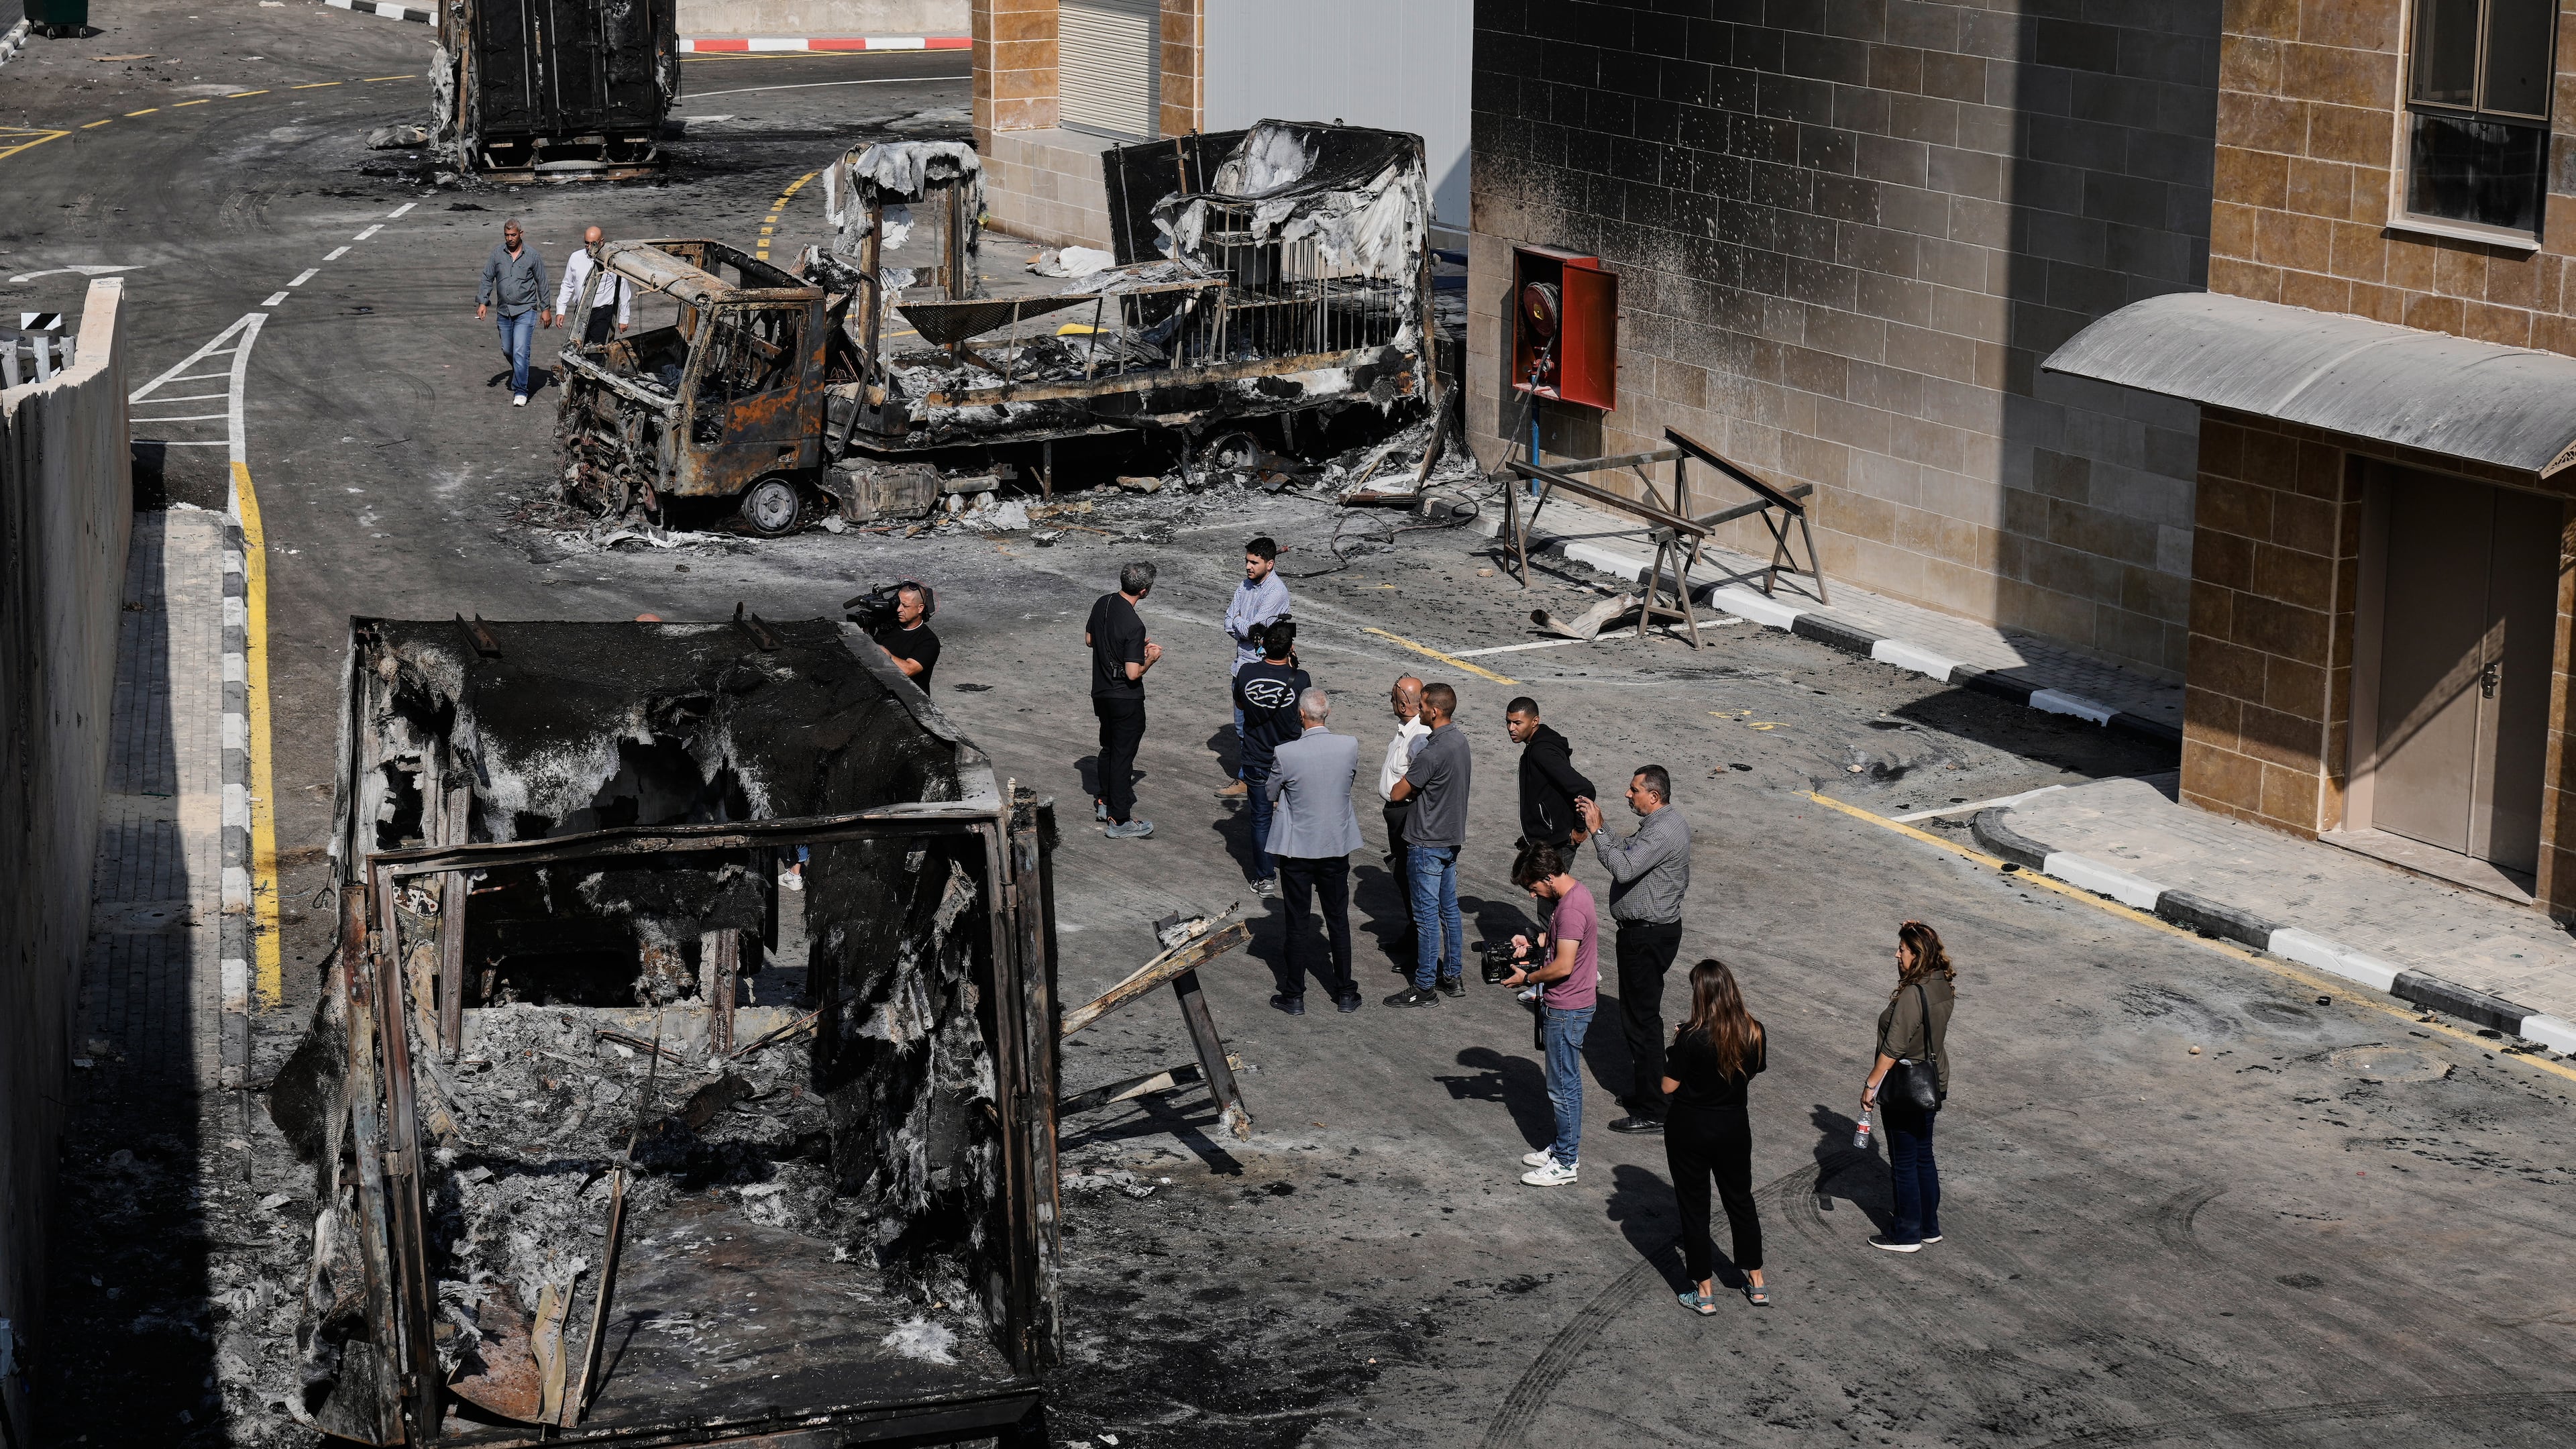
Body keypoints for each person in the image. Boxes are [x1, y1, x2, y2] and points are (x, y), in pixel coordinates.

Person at [1576, 765, 1692, 1136]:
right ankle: (1648, 1092)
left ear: (1653, 796)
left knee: (1642, 1022)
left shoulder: (1663, 831)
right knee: (1640, 1018)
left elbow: (1623, 868)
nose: (1628, 795)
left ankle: (1655, 1109)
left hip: (1647, 937)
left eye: (1634, 790)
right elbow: (1628, 853)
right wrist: (1605, 830)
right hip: (1646, 934)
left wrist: (1596, 830)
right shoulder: (1659, 825)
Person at [1663, 958, 1768, 1311]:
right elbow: (1751, 1072)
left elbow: (1667, 1085)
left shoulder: (1690, 1038)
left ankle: (1704, 1293)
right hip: (1733, 1128)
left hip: (1689, 1128)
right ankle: (1756, 1283)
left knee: (1694, 1208)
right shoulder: (1755, 1031)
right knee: (1740, 1200)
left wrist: (1675, 1047)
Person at [1501, 845, 1599, 1186]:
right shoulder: (1575, 895)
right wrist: (1534, 943)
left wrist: (1526, 978)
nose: (1532, 895)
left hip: (1567, 1008)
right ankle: (1561, 1148)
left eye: (1533, 887)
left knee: (1563, 1087)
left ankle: (1566, 1163)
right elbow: (1559, 942)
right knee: (1563, 1083)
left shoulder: (1570, 909)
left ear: (1548, 877)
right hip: (1570, 1004)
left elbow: (1563, 965)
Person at [1265, 686, 1364, 1014]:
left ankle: (1294, 996)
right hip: (1335, 846)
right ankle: (1346, 992)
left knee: (1296, 923)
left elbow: (1270, 792)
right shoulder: (1348, 745)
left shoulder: (1286, 752)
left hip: (1298, 851)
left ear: (1301, 715)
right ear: (1327, 714)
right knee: (1338, 920)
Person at [1862, 919, 1956, 1252]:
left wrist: (1871, 1086)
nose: (1896, 955)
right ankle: (1929, 1226)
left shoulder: (1913, 995)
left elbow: (1893, 1048)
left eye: (1902, 950)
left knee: (1903, 1162)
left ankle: (1906, 1233)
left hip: (1906, 1085)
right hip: (1933, 1079)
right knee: (1922, 1156)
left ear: (1917, 954)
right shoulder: (1940, 981)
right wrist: (1917, 928)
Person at [1385, 682, 1470, 1006]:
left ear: (1434, 711)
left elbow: (1397, 793)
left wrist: (1414, 787)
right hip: (1450, 839)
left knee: (1425, 918)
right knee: (1449, 912)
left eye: (1421, 706)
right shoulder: (1460, 742)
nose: (1417, 711)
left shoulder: (1431, 752)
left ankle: (1424, 986)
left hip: (1426, 842)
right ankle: (1452, 976)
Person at [1085, 561, 1163, 839]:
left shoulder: (1103, 603)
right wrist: (1149, 658)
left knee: (1108, 747)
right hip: (1125, 698)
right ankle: (1119, 820)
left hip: (1101, 692)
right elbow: (1133, 673)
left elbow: (1090, 639)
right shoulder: (1135, 624)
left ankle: (1105, 801)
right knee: (1122, 757)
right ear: (1145, 591)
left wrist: (1127, 648)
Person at [1232, 621, 1309, 894]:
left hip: (1256, 757)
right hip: (1291, 758)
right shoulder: (1301, 679)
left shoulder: (1246, 671)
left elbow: (1241, 704)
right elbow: (1305, 713)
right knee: (1296, 815)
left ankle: (1265, 879)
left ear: (1262, 645)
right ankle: (1299, 870)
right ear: (1291, 648)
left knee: (1261, 818)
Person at [1217, 536, 1291, 798]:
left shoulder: (1276, 592)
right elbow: (1229, 622)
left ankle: (1272, 783)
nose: (1248, 567)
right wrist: (1241, 624)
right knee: (1242, 729)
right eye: (1247, 561)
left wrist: (1240, 622)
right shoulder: (1245, 586)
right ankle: (1247, 778)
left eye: (1254, 562)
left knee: (1266, 730)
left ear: (1269, 564)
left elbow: (1256, 630)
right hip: (1241, 668)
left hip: (1265, 670)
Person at [1377, 676, 1430, 947]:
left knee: (1412, 882)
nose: (1390, 702)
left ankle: (1418, 945)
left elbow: (1420, 782)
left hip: (1406, 814)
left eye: (1393, 698)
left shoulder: (1418, 737)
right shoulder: (1406, 730)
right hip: (1397, 813)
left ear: (1404, 704)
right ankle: (1412, 935)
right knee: (1405, 878)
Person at [475, 219, 550, 406]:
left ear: (521, 234)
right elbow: (487, 278)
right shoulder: (497, 254)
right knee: (508, 349)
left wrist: (546, 308)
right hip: (504, 311)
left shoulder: (532, 255)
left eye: (513, 235)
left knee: (520, 351)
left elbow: (542, 282)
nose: (510, 239)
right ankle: (521, 371)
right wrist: (483, 302)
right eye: (507, 235)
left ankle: (520, 390)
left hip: (526, 309)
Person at [1505, 698, 1594, 853]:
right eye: (1508, 722)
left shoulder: (1542, 752)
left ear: (1535, 721)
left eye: (1518, 723)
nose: (1511, 728)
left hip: (1556, 843)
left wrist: (1580, 829)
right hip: (1546, 838)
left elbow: (1585, 789)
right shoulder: (1541, 741)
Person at [551, 225, 633, 346]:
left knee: (595, 352)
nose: (590, 248)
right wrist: (561, 310)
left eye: (593, 244)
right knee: (576, 348)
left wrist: (624, 319)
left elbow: (623, 289)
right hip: (580, 312)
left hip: (602, 313)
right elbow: (567, 285)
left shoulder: (611, 261)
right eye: (587, 244)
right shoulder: (576, 258)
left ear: (601, 242)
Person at [872, 580, 941, 691]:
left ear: (920, 608)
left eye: (905, 606)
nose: (899, 609)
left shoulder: (929, 641)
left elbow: (909, 669)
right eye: (898, 604)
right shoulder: (888, 627)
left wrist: (887, 656)